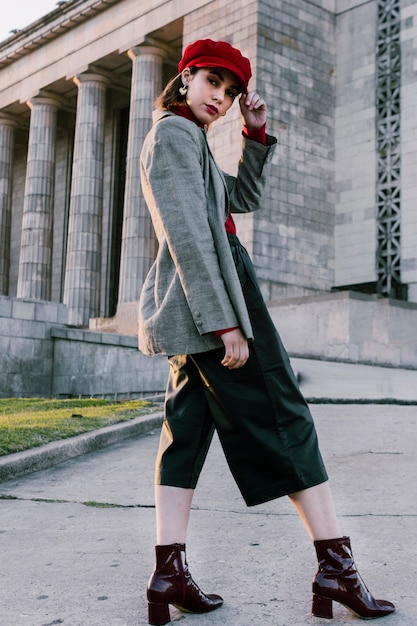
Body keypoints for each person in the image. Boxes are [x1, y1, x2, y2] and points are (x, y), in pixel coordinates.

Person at [138, 38, 395, 625]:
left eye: (230, 93)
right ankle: (337, 566)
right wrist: (226, 322)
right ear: (184, 78)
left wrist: (254, 134)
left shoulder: (190, 138)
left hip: (205, 298)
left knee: (186, 430)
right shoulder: (173, 136)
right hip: (214, 299)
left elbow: (239, 199)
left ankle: (167, 572)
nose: (221, 99)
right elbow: (190, 240)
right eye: (212, 84)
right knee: (286, 415)